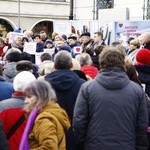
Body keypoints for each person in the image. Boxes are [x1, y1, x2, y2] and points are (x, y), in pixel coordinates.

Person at [73, 46, 149, 150]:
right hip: (126, 144)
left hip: (94, 145)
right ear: (123, 64)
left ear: (101, 64)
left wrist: (82, 143)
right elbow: (142, 124)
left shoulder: (87, 88)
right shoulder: (137, 90)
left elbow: (79, 122)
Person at [45, 50, 85, 150]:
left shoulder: (44, 85)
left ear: (54, 65)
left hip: (50, 132)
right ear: (71, 65)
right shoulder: (82, 85)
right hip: (75, 134)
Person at [19, 80, 70, 150]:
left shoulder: (44, 119)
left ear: (41, 97)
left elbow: (49, 147)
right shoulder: (51, 111)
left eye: (29, 97)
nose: (25, 101)